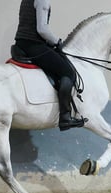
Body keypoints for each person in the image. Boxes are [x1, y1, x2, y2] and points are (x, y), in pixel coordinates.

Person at [13, 0, 86, 131]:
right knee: (67, 71)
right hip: (33, 45)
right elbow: (42, 29)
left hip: (22, 43)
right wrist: (57, 42)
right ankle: (65, 117)